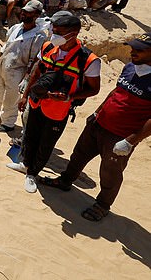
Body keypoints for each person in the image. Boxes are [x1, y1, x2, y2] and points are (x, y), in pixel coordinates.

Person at [40, 32, 151, 221]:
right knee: (78, 155)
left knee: (110, 172)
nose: (132, 51)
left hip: (121, 136)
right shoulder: (130, 67)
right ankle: (65, 181)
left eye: (139, 49)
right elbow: (116, 92)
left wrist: (131, 141)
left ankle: (102, 205)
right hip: (99, 123)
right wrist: (97, 113)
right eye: (133, 47)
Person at [14, 15, 101, 193]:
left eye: (59, 33)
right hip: (37, 101)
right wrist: (25, 95)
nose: (54, 35)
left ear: (73, 34)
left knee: (46, 142)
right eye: (53, 31)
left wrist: (69, 97)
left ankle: (33, 174)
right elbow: (37, 72)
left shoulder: (89, 60)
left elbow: (94, 89)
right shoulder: (48, 47)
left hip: (58, 109)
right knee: (30, 135)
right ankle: (25, 164)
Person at [0, 0, 47, 132]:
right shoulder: (16, 27)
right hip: (4, 64)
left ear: (36, 15)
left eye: (28, 13)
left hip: (18, 70)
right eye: (23, 11)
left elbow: (34, 60)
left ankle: (8, 122)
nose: (24, 14)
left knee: (12, 96)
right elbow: (7, 43)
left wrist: (27, 77)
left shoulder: (39, 36)